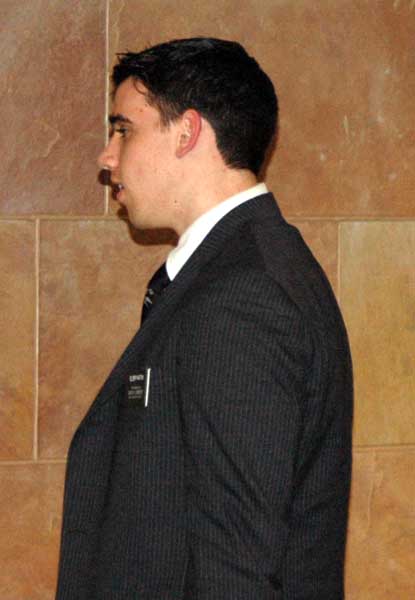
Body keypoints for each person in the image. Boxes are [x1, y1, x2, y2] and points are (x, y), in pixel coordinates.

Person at [56, 38, 353, 600]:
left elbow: (236, 566)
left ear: (187, 132)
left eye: (124, 130)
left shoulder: (243, 296)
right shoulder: (240, 270)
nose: (107, 157)